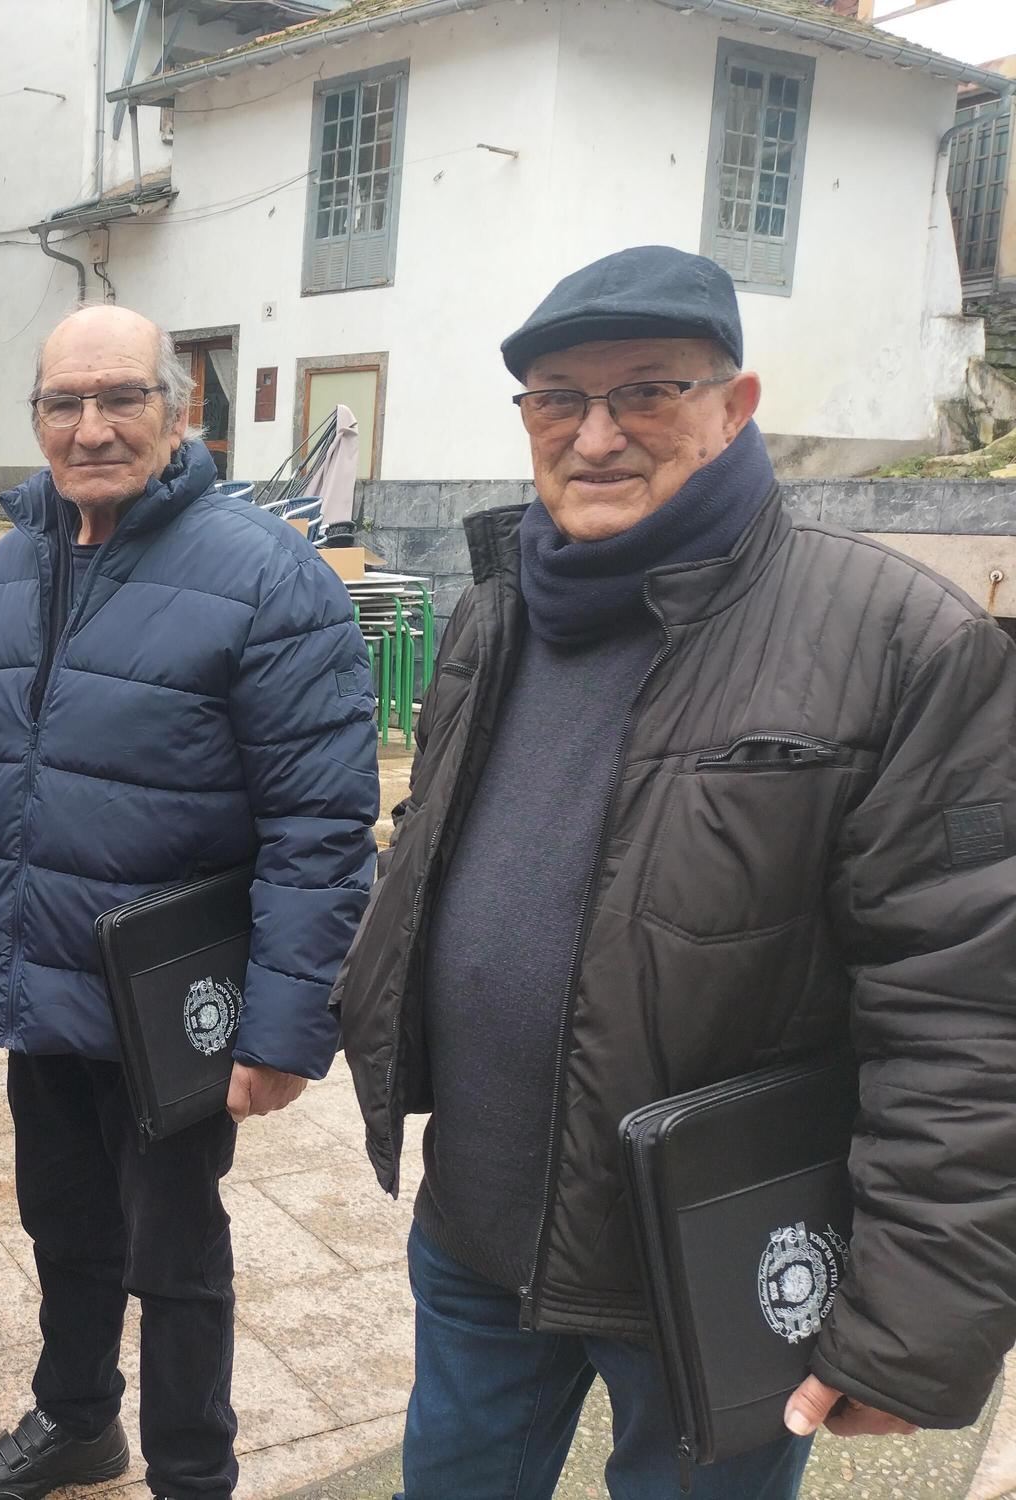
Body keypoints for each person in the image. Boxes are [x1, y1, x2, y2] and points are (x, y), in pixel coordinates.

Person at [329, 245, 1016, 1499]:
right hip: (477, 1231)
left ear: (733, 403)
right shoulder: (492, 618)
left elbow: (966, 1008)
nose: (593, 436)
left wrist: (910, 1313)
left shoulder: (901, 645)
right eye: (556, 399)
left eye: (645, 391)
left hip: (714, 1252)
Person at [0, 305, 379, 1500]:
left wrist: (286, 1031)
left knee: (174, 1256)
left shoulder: (265, 578)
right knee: (64, 1225)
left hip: (170, 992)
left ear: (175, 410)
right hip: (42, 971)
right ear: (33, 419)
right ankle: (76, 1420)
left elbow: (320, 826)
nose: (90, 428)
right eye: (61, 404)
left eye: (120, 398)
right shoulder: (19, 562)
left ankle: (193, 1469)